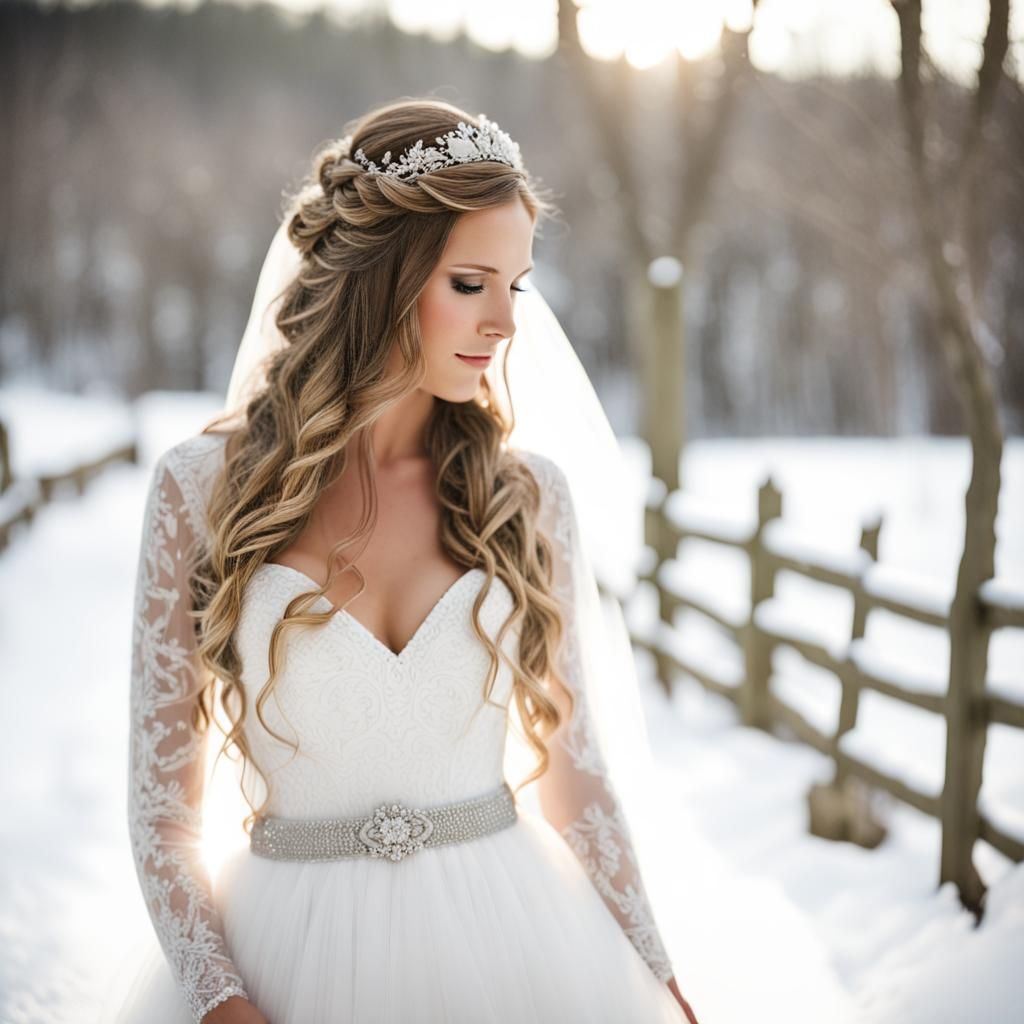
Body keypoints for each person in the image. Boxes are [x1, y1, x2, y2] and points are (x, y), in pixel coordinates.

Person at [109, 98, 700, 1024]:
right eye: (473, 282)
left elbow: (576, 783)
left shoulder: (527, 501)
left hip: (518, 952)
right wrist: (221, 1002)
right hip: (285, 961)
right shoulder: (200, 491)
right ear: (382, 278)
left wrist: (659, 981)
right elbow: (163, 815)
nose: (505, 322)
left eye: (520, 285)